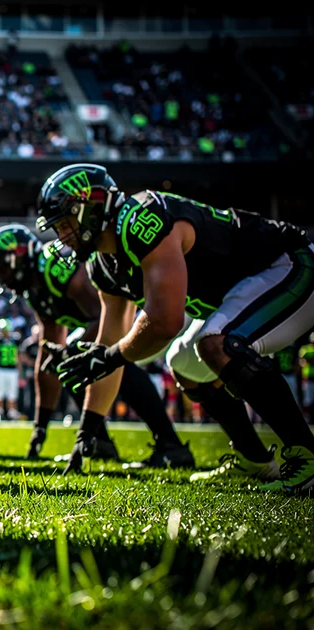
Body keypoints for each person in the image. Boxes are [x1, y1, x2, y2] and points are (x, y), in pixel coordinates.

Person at [37, 163, 314, 492]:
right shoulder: (103, 263)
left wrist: (109, 357)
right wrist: (87, 434)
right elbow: (108, 343)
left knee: (217, 344)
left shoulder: (142, 219)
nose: (63, 237)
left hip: (287, 266)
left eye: (66, 224)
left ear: (91, 209)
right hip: (239, 293)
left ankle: (307, 456)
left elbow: (164, 322)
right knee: (184, 364)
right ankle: (254, 459)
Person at [0, 223, 193, 468]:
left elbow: (103, 315)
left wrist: (77, 351)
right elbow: (48, 352)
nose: (2, 280)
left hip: (141, 313)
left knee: (113, 362)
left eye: (2, 271)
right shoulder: (35, 289)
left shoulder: (53, 265)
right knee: (70, 363)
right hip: (110, 324)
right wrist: (40, 426)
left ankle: (170, 444)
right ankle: (98, 442)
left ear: (18, 259)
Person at [0, 319, 22, 423]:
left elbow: (17, 357)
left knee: (12, 394)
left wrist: (20, 373)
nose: (4, 332)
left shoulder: (15, 340)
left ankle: (12, 413)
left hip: (12, 370)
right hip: (0, 369)